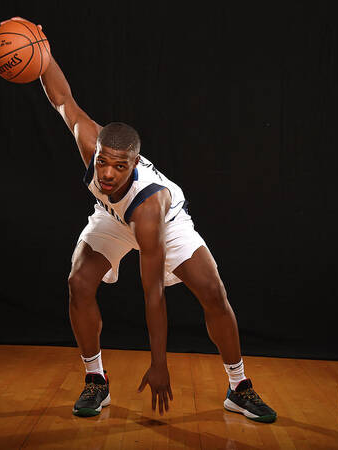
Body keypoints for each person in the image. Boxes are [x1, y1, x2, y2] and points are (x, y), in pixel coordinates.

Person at [23, 18, 277, 423]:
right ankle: (96, 381)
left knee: (213, 294)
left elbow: (154, 293)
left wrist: (159, 363)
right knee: (78, 283)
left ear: (134, 164)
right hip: (111, 217)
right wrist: (40, 48)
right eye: (102, 162)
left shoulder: (149, 207)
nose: (106, 173)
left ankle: (239, 386)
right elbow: (61, 99)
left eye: (118, 167)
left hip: (163, 224)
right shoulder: (92, 145)